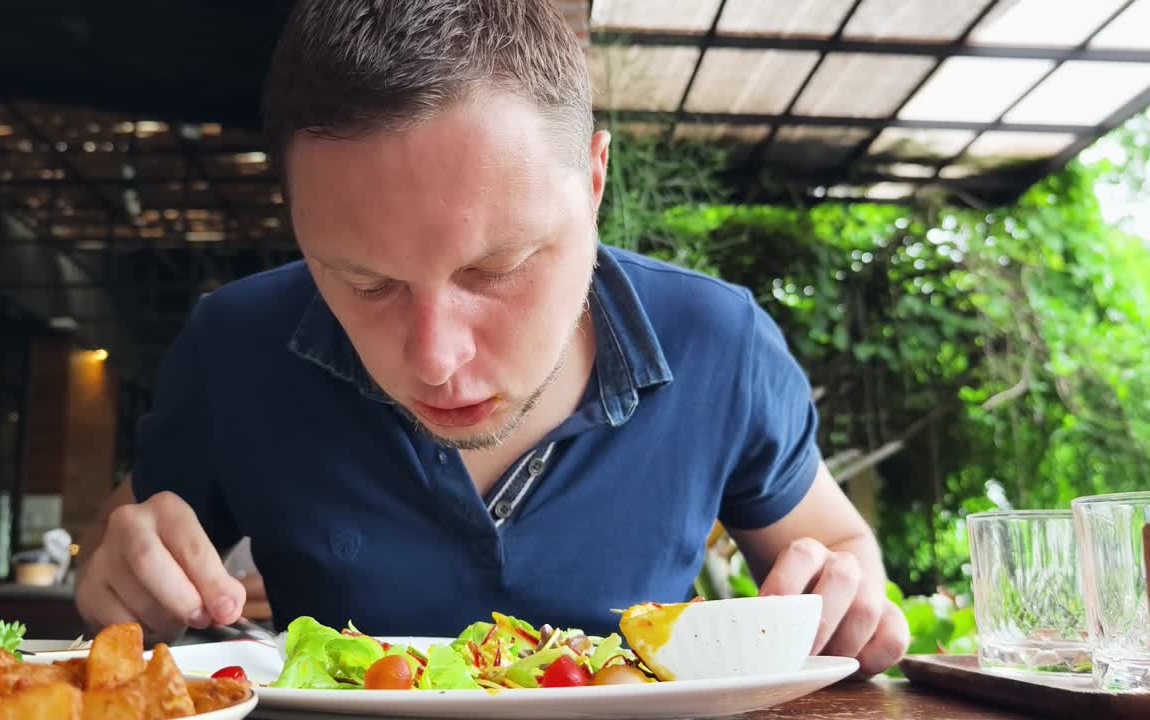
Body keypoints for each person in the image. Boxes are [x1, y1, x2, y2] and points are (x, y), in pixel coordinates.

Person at [76, 0, 909, 675]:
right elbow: (125, 545)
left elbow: (835, 542)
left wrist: (850, 592)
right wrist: (122, 575)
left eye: (498, 269)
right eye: (365, 284)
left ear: (592, 180)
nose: (436, 360)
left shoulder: (719, 342)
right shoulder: (234, 347)